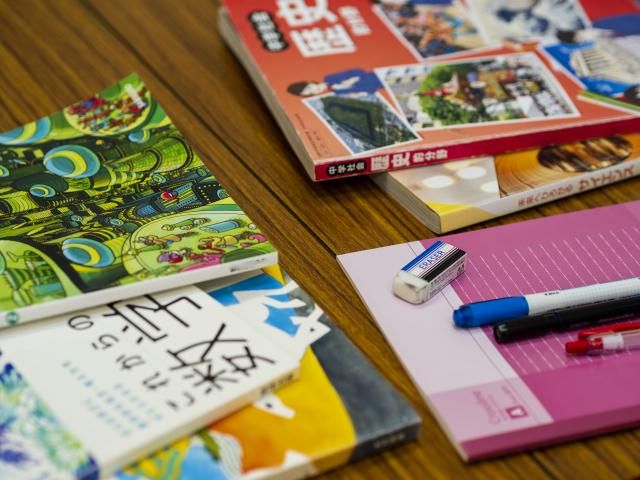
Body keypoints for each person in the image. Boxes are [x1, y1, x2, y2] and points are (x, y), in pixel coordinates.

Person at [287, 68, 382, 97]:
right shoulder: (336, 92)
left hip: (378, 75)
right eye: (311, 93)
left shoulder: (329, 78)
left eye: (309, 88)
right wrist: (362, 94)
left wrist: (353, 79)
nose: (315, 90)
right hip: (381, 85)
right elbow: (371, 89)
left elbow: (358, 71)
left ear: (309, 83)